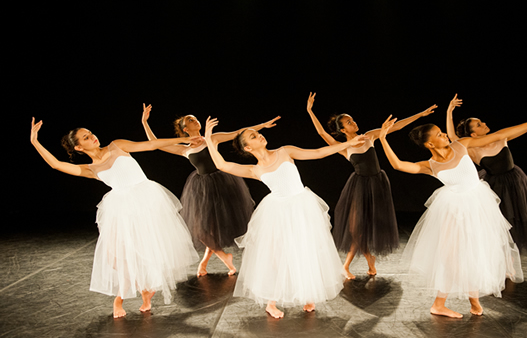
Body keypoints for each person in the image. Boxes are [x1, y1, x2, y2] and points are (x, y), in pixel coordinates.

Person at [377, 102, 527, 318]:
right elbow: (399, 165)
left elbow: (500, 134)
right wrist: (384, 139)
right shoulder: (430, 165)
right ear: (430, 144)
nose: (445, 136)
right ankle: (442, 304)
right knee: (453, 256)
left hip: (478, 205)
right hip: (454, 211)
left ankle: (472, 301)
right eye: (440, 135)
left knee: (474, 252)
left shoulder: (462, 145)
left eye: (443, 132)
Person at [30, 117, 200, 318]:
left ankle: (124, 298)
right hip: (120, 209)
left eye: (90, 133)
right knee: (115, 257)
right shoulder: (91, 169)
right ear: (78, 147)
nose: (92, 137)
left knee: (146, 249)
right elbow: (56, 165)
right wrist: (35, 142)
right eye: (86, 137)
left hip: (146, 201)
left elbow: (151, 145)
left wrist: (182, 142)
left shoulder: (117, 146)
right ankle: (142, 288)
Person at [202, 115, 369, 318]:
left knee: (306, 250)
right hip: (277, 212)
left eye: (258, 133)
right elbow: (221, 164)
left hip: (301, 207)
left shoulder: (284, 151)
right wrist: (209, 139)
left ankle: (308, 295)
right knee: (278, 256)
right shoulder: (254, 169)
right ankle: (271, 302)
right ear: (248, 148)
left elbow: (317, 153)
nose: (260, 136)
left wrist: (349, 143)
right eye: (254, 136)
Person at [306, 92, 437, 279]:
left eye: (352, 120)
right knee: (354, 228)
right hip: (358, 187)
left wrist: (420, 114)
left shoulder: (369, 136)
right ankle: (362, 262)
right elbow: (321, 133)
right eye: (349, 123)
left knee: (366, 227)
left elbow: (395, 127)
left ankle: (361, 263)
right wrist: (310, 111)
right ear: (343, 130)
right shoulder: (344, 147)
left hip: (377, 185)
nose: (354, 123)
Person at [141, 104, 280, 276]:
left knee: (213, 228)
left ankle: (208, 263)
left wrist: (262, 125)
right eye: (190, 120)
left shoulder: (211, 138)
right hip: (201, 189)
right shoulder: (185, 149)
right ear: (185, 128)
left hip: (223, 182)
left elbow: (238, 132)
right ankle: (221, 258)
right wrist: (145, 122)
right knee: (202, 230)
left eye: (195, 117)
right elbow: (156, 144)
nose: (195, 120)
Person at [447, 95, 527, 250]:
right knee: (498, 225)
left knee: (515, 224)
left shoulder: (500, 137)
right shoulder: (471, 149)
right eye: (478, 124)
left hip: (515, 182)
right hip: (494, 187)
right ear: (473, 135)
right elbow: (452, 138)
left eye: (481, 121)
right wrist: (450, 111)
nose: (484, 124)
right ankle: (504, 263)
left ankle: (510, 264)